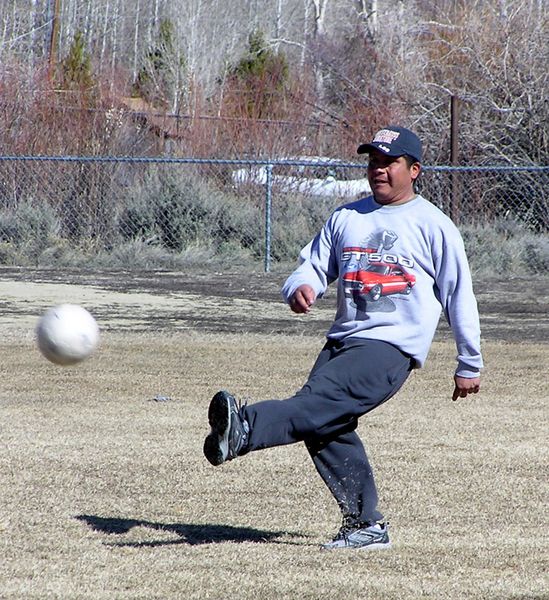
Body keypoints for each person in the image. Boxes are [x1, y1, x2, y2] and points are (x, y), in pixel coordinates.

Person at [203, 125, 483, 550]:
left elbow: (458, 294)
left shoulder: (434, 226)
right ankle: (366, 526)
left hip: (389, 348)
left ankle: (245, 428)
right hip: (341, 342)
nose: (379, 169)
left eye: (389, 162)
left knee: (315, 406)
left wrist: (469, 362)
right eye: (373, 161)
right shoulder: (346, 217)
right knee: (323, 425)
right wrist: (303, 287)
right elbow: (311, 266)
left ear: (414, 170)